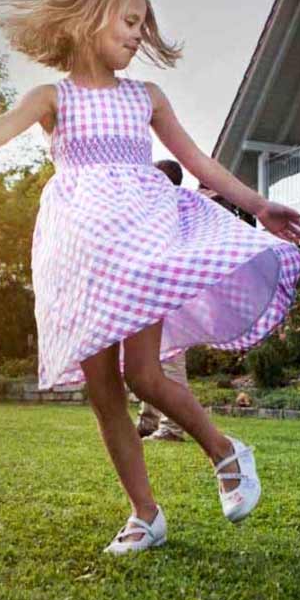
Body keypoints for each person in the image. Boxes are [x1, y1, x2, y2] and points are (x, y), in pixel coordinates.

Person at [0, 0, 300, 554]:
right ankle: (146, 514)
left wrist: (255, 204)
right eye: (128, 21)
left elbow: (196, 158)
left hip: (138, 242)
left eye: (143, 24)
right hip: (78, 255)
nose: (137, 34)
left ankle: (225, 451)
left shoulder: (144, 97)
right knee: (104, 391)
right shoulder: (53, 98)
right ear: (86, 18)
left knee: (144, 374)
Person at [136, 159, 190, 443]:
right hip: (149, 293)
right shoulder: (154, 212)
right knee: (144, 362)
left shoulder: (174, 212)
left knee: (169, 359)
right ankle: (149, 421)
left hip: (168, 294)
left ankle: (172, 427)